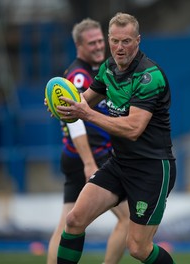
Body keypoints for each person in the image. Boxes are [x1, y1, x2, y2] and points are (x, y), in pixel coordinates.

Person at [54, 12, 176, 264]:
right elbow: (83, 101)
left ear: (138, 41)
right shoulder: (108, 68)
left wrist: (86, 115)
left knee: (138, 249)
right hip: (120, 163)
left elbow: (133, 128)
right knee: (74, 220)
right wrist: (61, 104)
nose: (120, 48)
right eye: (115, 41)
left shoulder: (149, 76)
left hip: (151, 168)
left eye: (127, 41)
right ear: (109, 39)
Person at [47, 18, 129, 264]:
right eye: (91, 43)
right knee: (129, 219)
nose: (97, 46)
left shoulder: (95, 70)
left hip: (75, 156)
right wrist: (89, 163)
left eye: (100, 41)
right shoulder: (80, 75)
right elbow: (76, 121)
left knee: (66, 223)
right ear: (78, 46)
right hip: (92, 156)